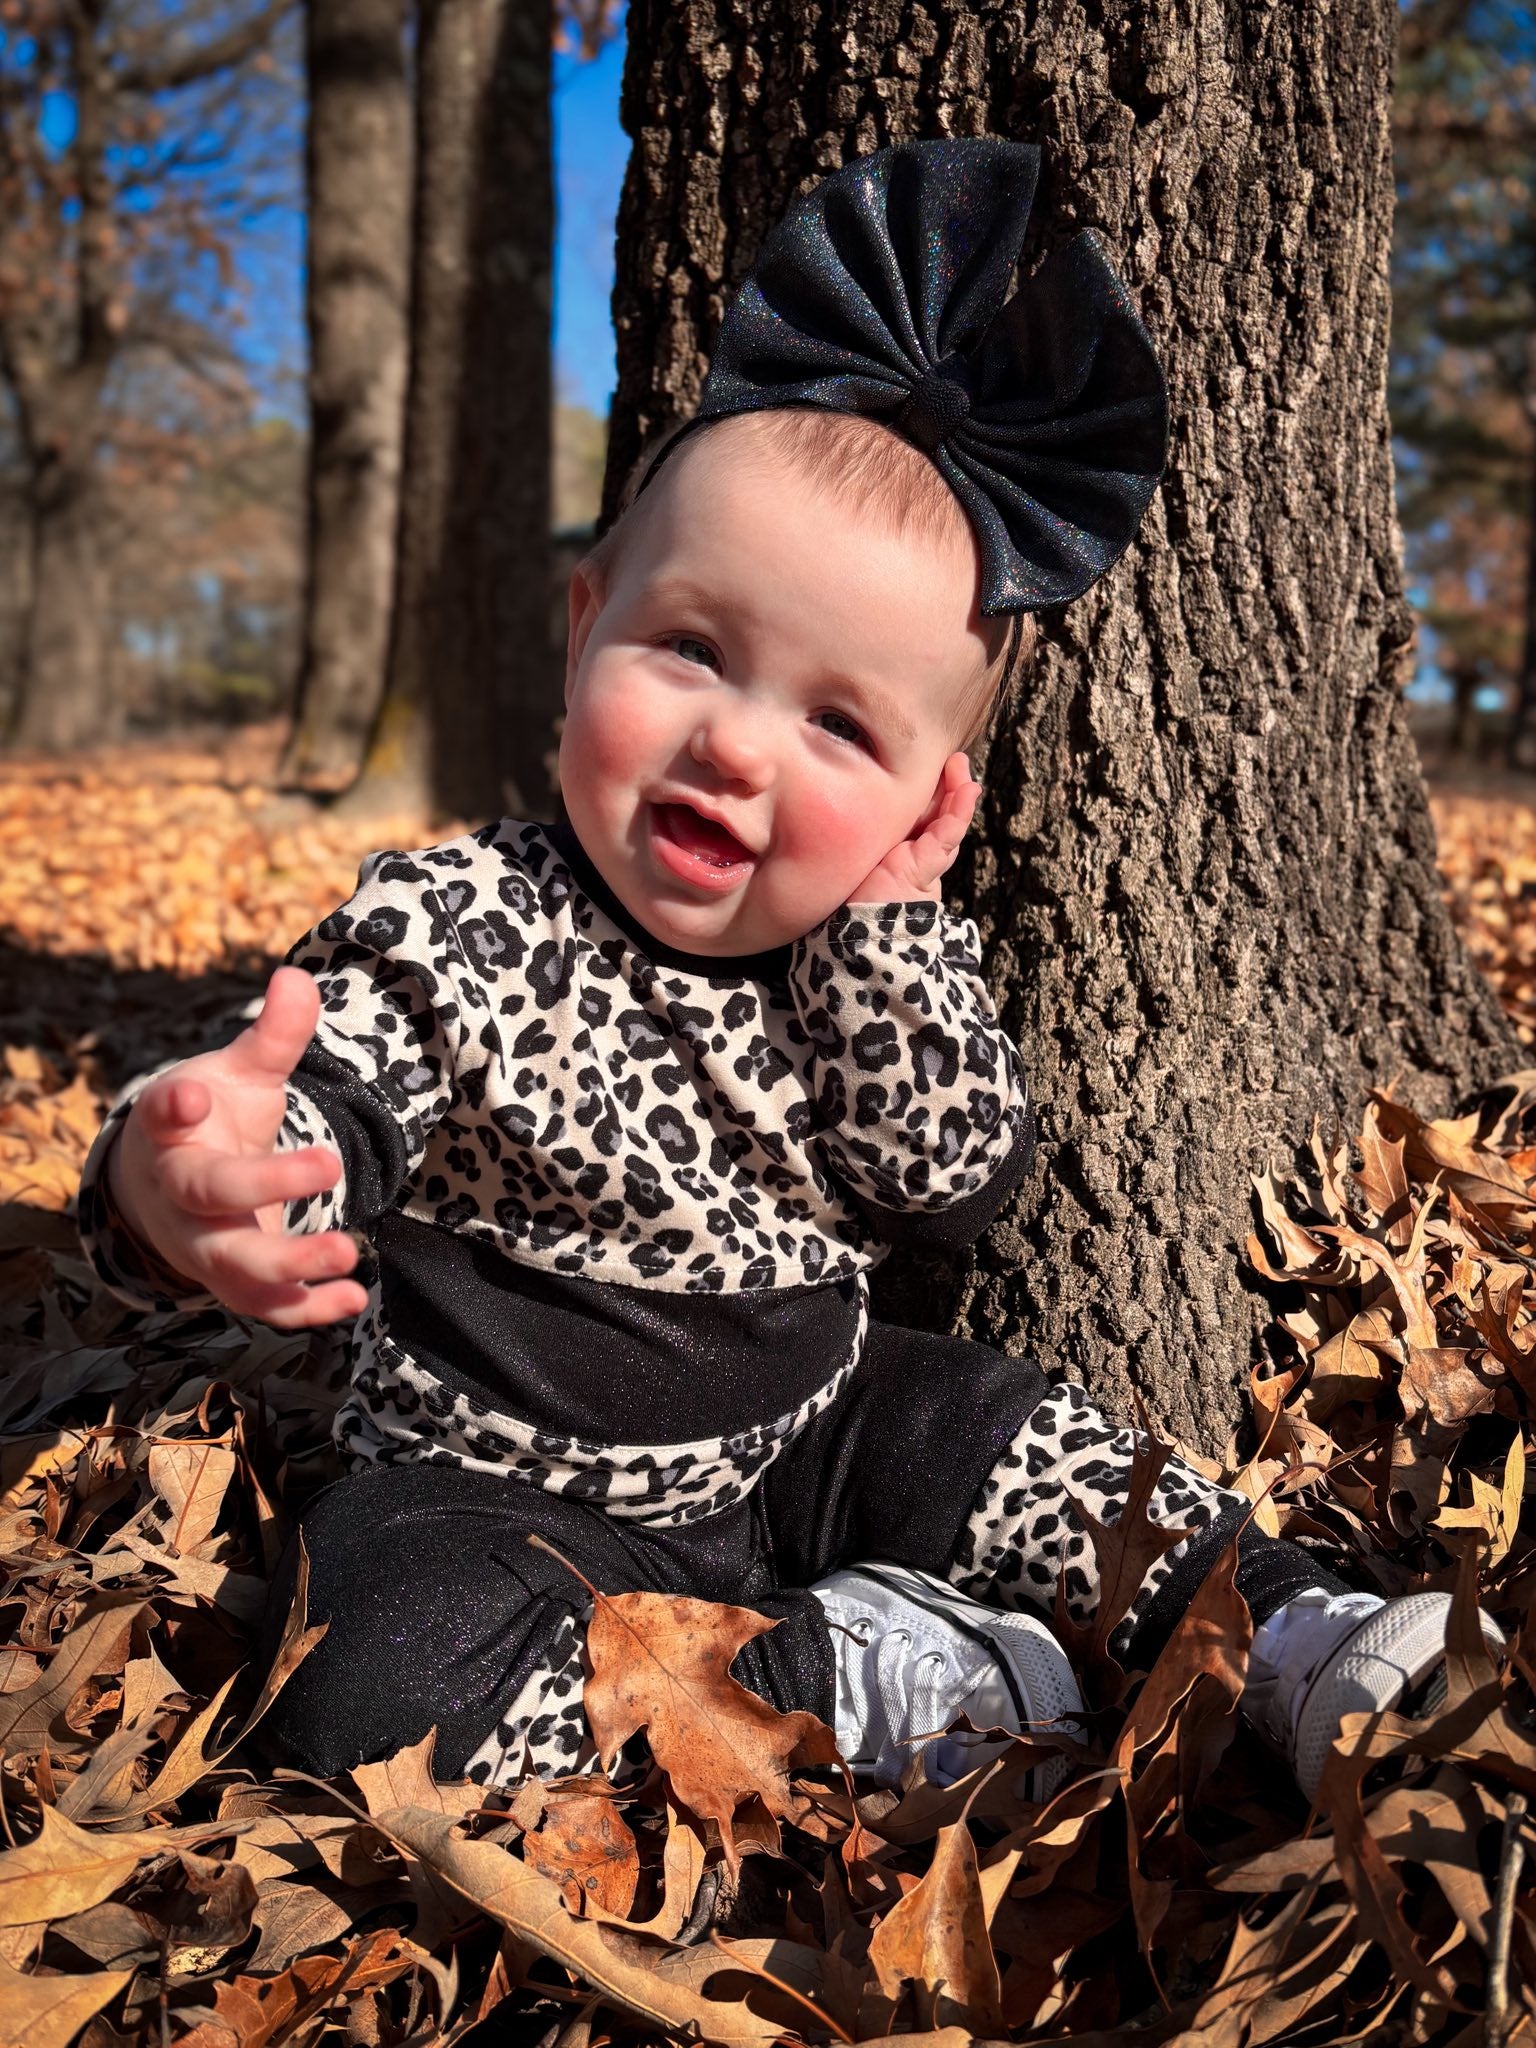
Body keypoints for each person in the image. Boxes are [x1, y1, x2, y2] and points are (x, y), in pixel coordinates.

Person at [77, 141, 1488, 1808]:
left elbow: (951, 1182)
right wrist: (202, 1174)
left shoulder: (853, 966)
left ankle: (1285, 1627)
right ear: (586, 627)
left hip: (811, 1438)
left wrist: (890, 929)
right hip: (497, 1499)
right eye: (692, 649)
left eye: (837, 726)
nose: (736, 746)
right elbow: (329, 1089)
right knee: (366, 1685)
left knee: (1005, 1430)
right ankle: (844, 1675)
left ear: (927, 801)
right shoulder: (466, 915)